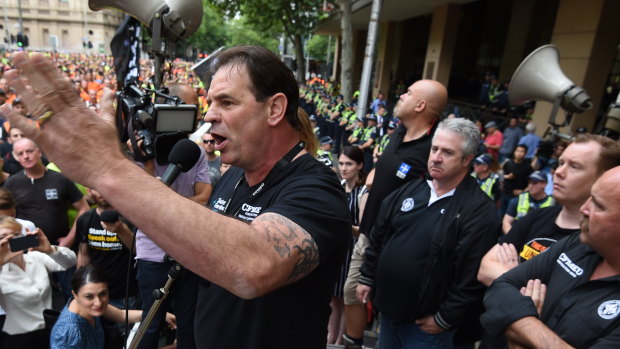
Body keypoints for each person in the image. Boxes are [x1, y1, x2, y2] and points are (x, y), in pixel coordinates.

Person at [1, 47, 350, 349]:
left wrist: (111, 169)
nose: (209, 114)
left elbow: (253, 267)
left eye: (227, 102)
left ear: (274, 109)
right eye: (210, 101)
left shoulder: (316, 187)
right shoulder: (233, 178)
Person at [357, 118, 500, 348]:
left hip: (427, 329)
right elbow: (380, 236)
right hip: (390, 315)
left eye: (447, 152)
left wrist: (445, 318)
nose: (436, 157)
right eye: (434, 148)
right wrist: (367, 275)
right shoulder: (411, 190)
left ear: (467, 160)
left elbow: (471, 276)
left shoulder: (479, 213)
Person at [342, 79, 447, 349]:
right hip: (369, 235)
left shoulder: (434, 149)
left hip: (396, 243)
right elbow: (388, 166)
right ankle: (353, 343)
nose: (401, 95)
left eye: (409, 93)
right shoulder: (399, 132)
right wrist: (375, 175)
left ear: (421, 105)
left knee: (383, 306)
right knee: (351, 293)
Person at [480, 166, 620, 348]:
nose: (585, 208)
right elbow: (500, 288)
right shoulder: (576, 243)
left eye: (599, 205)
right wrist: (533, 329)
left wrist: (519, 326)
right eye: (590, 197)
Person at [0, 216, 76, 348]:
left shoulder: (35, 257)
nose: (11, 240)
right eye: (3, 237)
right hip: (17, 338)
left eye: (15, 235)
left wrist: (51, 250)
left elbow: (70, 261)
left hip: (51, 330)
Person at [49, 266, 148, 349]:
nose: (98, 302)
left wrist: (158, 314)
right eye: (89, 296)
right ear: (75, 295)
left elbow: (121, 315)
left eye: (102, 294)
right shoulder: (69, 332)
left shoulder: (87, 307)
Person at [329, 146, 368, 346]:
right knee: (333, 298)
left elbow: (364, 229)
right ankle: (330, 338)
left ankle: (339, 341)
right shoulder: (338, 186)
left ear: (360, 165)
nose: (343, 168)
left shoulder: (363, 192)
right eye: (342, 163)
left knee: (346, 298)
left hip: (353, 250)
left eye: (349, 164)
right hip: (338, 246)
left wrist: (344, 226)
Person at [499, 144, 533, 217]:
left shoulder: (528, 167)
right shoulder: (508, 163)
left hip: (516, 196)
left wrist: (523, 191)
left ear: (525, 154)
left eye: (522, 151)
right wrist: (506, 177)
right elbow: (500, 175)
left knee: (509, 215)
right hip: (504, 192)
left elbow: (531, 183)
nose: (519, 153)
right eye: (517, 151)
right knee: (499, 214)